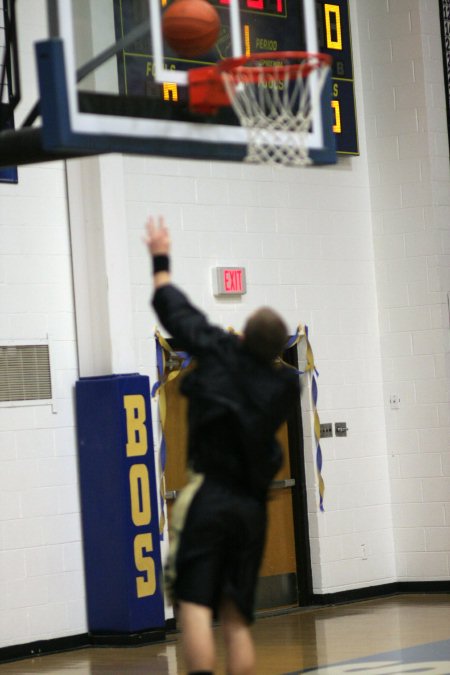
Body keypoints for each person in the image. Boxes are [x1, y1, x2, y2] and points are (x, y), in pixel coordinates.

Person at [145, 216, 300, 675]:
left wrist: (161, 257)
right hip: (252, 508)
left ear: (242, 334)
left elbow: (174, 309)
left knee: (194, 605)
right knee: (237, 619)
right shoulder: (284, 388)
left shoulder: (217, 351)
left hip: (210, 497)